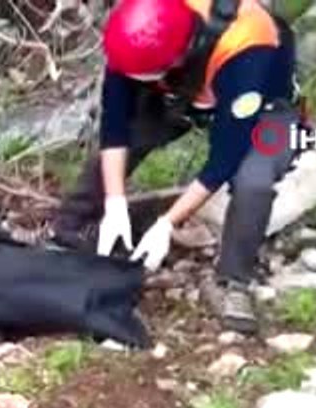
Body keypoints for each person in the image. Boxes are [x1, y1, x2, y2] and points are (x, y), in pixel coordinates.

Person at [53, 0, 300, 335]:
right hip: (176, 89)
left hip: (257, 100)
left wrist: (167, 223)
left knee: (253, 180)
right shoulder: (132, 32)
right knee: (135, 136)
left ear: (182, 53)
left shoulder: (247, 45)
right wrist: (114, 202)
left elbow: (227, 155)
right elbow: (115, 128)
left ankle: (233, 282)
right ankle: (72, 232)